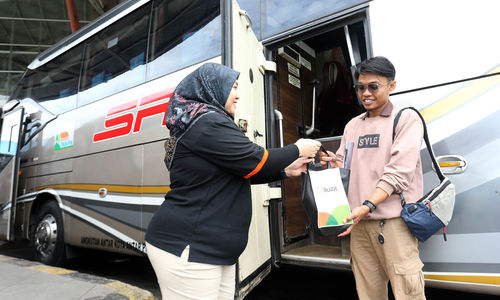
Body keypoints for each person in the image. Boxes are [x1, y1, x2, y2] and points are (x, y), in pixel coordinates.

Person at [145, 62, 320, 299]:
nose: (237, 95)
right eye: (233, 87)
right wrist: (297, 149)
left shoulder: (207, 122)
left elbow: (244, 170)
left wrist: (285, 171)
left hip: (212, 250)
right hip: (189, 248)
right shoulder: (206, 123)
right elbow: (256, 159)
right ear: (213, 88)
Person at [321, 56, 426, 299]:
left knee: (407, 292)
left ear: (392, 86)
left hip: (393, 224)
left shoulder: (406, 118)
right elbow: (343, 165)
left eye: (373, 86)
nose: (365, 93)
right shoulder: (352, 126)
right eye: (360, 87)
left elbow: (398, 173)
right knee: (368, 292)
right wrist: (326, 161)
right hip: (359, 226)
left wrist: (368, 205)